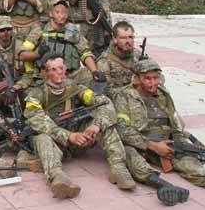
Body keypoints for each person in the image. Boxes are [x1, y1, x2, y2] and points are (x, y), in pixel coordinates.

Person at [114, 59, 205, 206]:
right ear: (137, 78)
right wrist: (153, 146)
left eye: (155, 78)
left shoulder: (162, 94)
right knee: (129, 155)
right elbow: (123, 130)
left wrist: (180, 142)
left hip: (166, 143)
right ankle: (164, 186)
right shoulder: (125, 96)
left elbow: (174, 120)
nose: (152, 83)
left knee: (187, 160)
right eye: (147, 78)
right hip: (140, 144)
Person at [23, 53, 135, 199]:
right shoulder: (36, 94)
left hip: (78, 138)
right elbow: (37, 121)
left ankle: (118, 167)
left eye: (61, 68)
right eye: (53, 69)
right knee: (42, 138)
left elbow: (104, 102)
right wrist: (69, 136)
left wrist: (96, 125)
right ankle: (57, 177)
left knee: (106, 124)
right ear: (45, 73)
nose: (59, 73)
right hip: (55, 141)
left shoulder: (76, 88)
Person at [18, 0, 105, 89]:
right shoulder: (40, 30)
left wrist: (95, 71)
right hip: (46, 76)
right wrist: (38, 54)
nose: (62, 16)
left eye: (64, 13)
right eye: (58, 12)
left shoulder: (73, 32)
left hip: (70, 76)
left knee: (93, 79)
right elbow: (22, 55)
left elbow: (85, 53)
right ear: (51, 14)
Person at [97, 21, 146, 94]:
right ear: (115, 39)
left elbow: (157, 75)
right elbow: (106, 91)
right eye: (123, 38)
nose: (128, 41)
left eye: (130, 37)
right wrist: (132, 85)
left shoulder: (138, 55)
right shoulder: (104, 61)